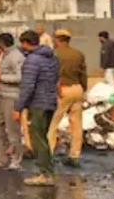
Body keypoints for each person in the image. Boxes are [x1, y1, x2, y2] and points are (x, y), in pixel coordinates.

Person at [13, 30, 59, 186]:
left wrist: (18, 107)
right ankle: (47, 170)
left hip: (38, 103)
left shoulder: (32, 60)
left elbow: (28, 86)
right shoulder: (52, 58)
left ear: (26, 42)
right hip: (50, 102)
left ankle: (45, 173)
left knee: (38, 139)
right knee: (43, 137)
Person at [48, 30, 87, 169]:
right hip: (77, 89)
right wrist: (83, 89)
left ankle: (49, 154)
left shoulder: (54, 54)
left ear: (58, 39)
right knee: (76, 125)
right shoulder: (78, 54)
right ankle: (74, 156)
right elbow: (83, 74)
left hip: (62, 90)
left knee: (52, 123)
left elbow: (52, 74)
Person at [0, 33, 24, 170]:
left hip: (12, 96)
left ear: (2, 43)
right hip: (1, 95)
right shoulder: (4, 55)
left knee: (12, 129)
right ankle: (0, 159)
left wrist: (1, 78)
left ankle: (16, 160)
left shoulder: (16, 56)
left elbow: (20, 77)